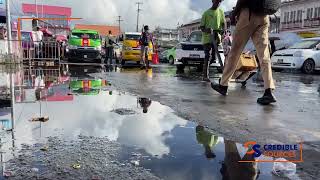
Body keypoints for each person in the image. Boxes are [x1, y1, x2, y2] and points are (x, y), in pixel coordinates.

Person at [211, 0, 277, 105]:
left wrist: (235, 13)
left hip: (249, 15)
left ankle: (223, 85)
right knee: (264, 56)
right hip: (264, 17)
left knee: (235, 52)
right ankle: (268, 90)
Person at [200, 0, 226, 82]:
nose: (218, 3)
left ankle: (203, 68)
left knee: (213, 58)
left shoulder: (221, 11)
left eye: (219, 2)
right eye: (216, 1)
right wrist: (207, 30)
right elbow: (202, 27)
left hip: (216, 37)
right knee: (208, 55)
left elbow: (223, 22)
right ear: (212, 1)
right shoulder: (206, 13)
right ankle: (205, 76)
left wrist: (223, 29)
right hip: (207, 38)